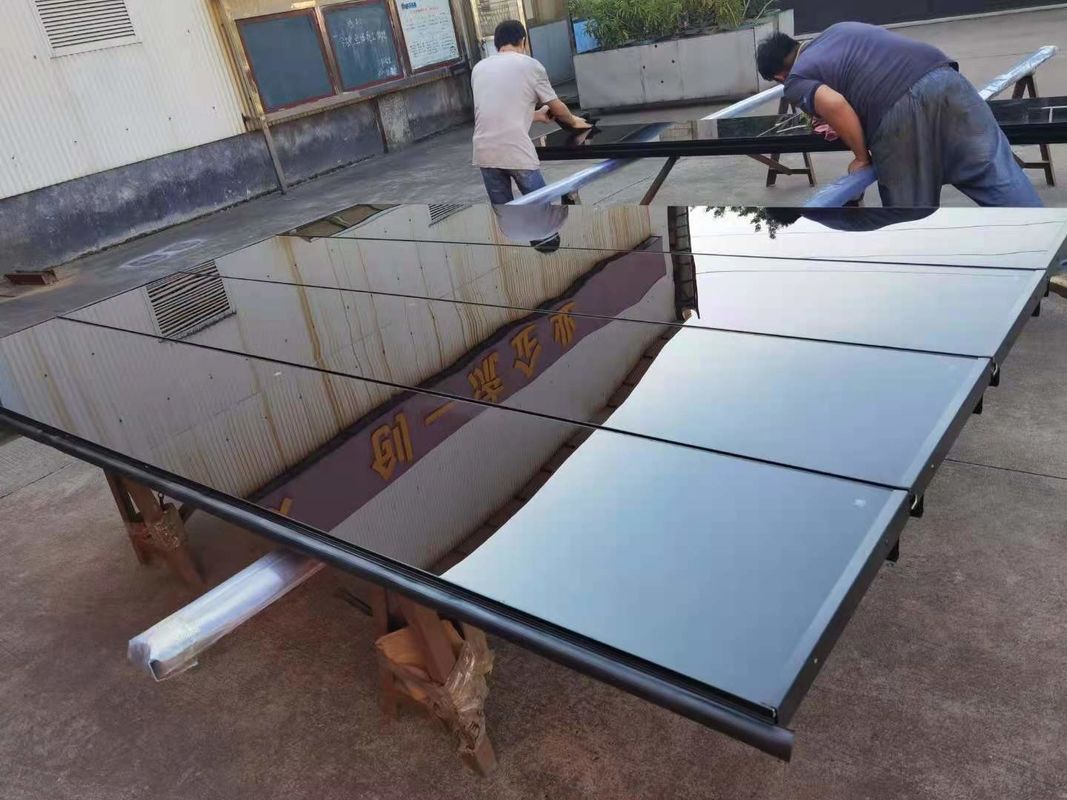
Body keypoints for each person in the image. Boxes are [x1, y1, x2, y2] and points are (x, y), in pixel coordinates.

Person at [755, 23, 1043, 208]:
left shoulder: (795, 80)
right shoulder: (838, 30)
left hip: (901, 109)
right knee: (996, 175)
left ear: (779, 76)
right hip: (947, 79)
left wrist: (861, 157)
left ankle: (913, 280)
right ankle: (1057, 260)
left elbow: (836, 105)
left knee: (908, 214)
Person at [471, 20, 590, 204]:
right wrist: (575, 122)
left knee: (505, 213)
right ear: (523, 41)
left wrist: (537, 115)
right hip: (515, 150)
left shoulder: (478, 68)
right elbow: (557, 108)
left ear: (497, 45)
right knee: (542, 209)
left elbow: (495, 110)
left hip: (484, 151)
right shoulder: (530, 65)